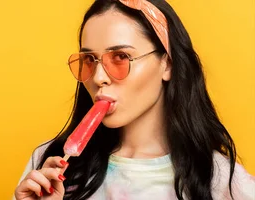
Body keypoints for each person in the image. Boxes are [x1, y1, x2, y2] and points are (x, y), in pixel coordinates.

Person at [13, 0, 255, 199]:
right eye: (89, 60)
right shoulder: (47, 166)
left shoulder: (219, 179)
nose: (98, 77)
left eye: (120, 56)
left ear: (167, 64)